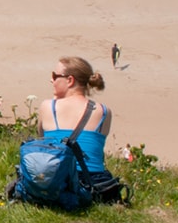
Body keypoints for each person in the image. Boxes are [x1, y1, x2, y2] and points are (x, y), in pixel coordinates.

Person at [41, 56, 122, 200]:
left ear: (70, 80)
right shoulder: (104, 111)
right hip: (93, 181)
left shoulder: (48, 107)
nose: (51, 80)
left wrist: (56, 101)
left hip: (56, 181)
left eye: (55, 76)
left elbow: (43, 140)